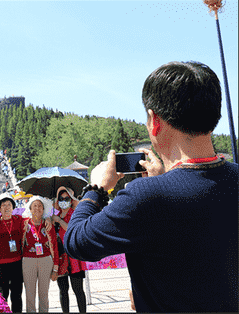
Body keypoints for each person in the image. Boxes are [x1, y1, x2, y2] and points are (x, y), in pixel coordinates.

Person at [64, 61, 238, 312]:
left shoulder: (145, 196)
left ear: (154, 120)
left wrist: (96, 189)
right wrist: (162, 179)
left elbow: (77, 241)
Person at [51, 187, 88, 313]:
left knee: (78, 290)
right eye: (61, 199)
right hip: (60, 258)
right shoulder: (54, 217)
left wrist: (60, 221)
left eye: (66, 198)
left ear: (71, 201)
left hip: (74, 257)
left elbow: (73, 230)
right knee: (63, 290)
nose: (63, 201)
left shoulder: (76, 214)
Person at [0, 193, 24, 313]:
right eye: (3, 205)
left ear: (13, 207)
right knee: (2, 296)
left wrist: (49, 220)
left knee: (17, 295)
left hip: (17, 264)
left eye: (9, 205)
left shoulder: (19, 220)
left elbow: (35, 219)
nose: (7, 207)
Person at [22, 195, 59, 313]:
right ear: (30, 209)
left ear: (43, 209)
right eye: (34, 206)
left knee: (44, 293)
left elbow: (54, 246)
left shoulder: (48, 224)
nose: (37, 208)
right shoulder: (24, 223)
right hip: (28, 260)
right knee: (29, 293)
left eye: (40, 206)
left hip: (45, 260)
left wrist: (55, 268)